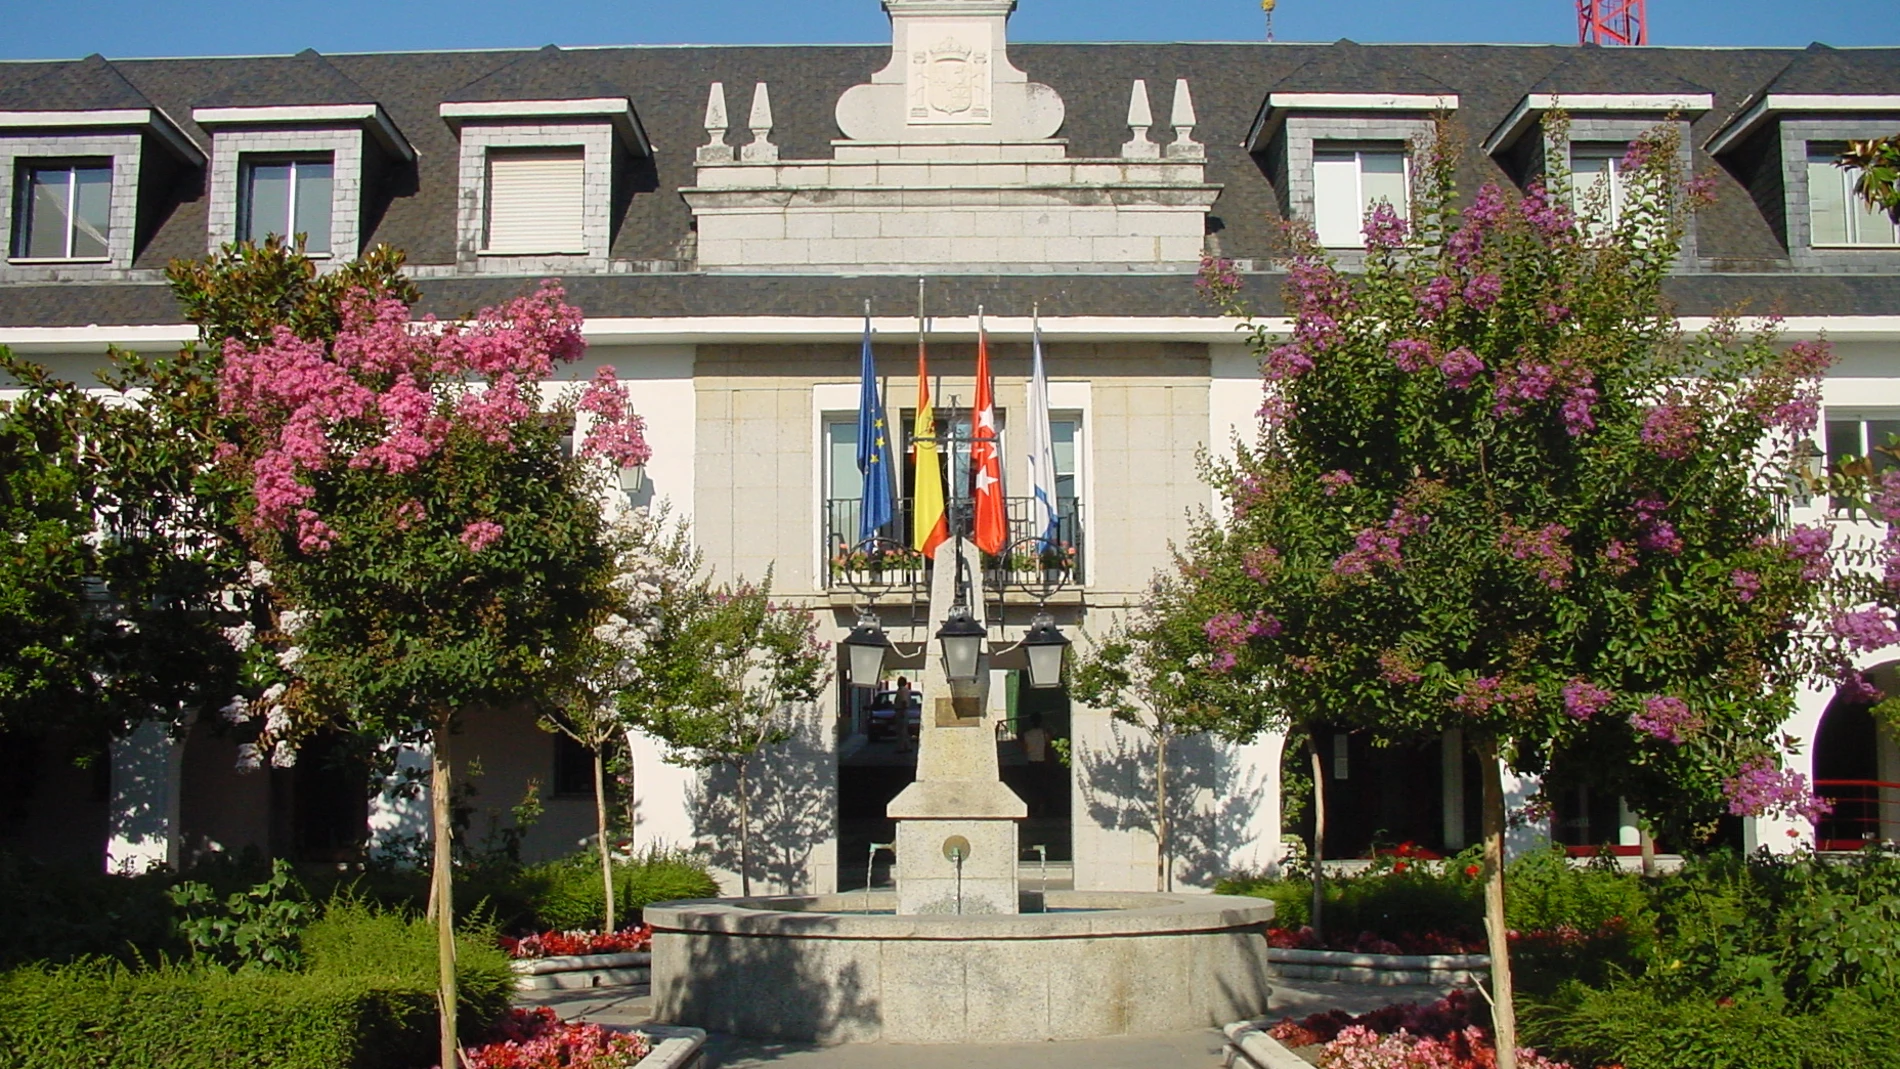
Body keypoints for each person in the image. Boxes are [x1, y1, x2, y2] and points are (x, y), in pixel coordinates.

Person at [894, 676, 913, 752]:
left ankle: (901, 747)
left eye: (899, 681)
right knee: (903, 731)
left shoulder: (902, 690)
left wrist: (902, 712)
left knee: (902, 731)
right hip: (902, 711)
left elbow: (904, 701)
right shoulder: (904, 690)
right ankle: (907, 746)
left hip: (902, 711)